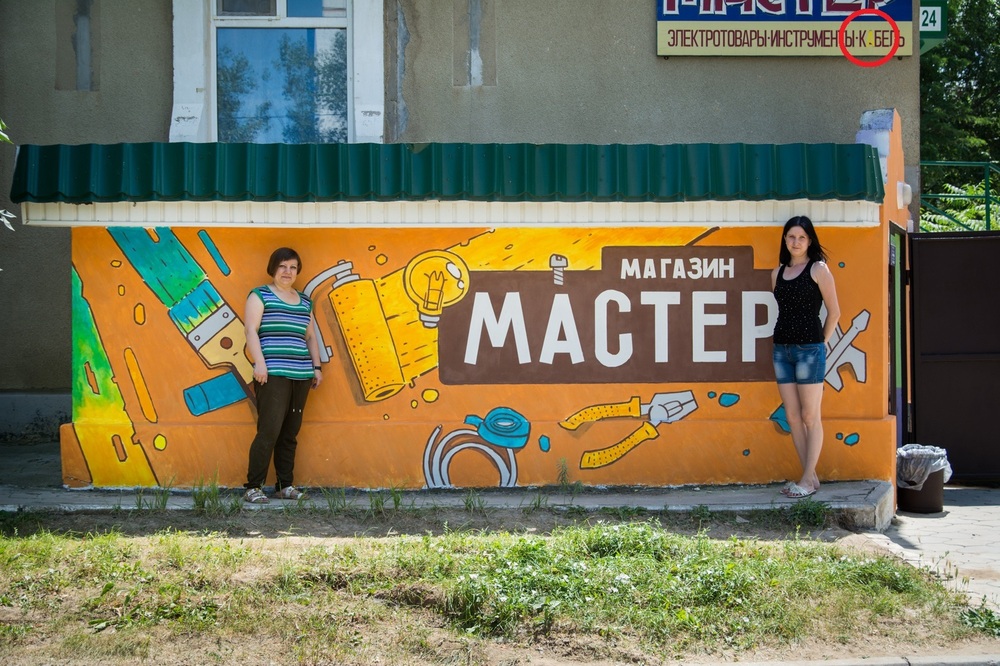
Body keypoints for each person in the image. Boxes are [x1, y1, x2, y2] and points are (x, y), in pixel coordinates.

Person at [243, 247, 323, 504]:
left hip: (301, 374)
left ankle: (284, 485)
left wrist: (317, 367)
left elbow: (310, 337)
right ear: (273, 268)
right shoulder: (260, 295)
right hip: (272, 374)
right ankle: (253, 487)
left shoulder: (305, 301)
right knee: (269, 430)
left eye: (293, 267)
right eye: (282, 266)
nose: (288, 272)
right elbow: (251, 331)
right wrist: (260, 364)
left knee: (290, 433)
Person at [771, 216, 840, 499]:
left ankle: (807, 480)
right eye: (791, 236)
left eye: (801, 237)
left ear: (810, 240)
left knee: (810, 415)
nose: (796, 242)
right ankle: (809, 478)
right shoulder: (777, 273)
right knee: (792, 415)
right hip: (781, 350)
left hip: (809, 350)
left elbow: (835, 312)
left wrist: (820, 343)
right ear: (785, 240)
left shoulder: (818, 269)